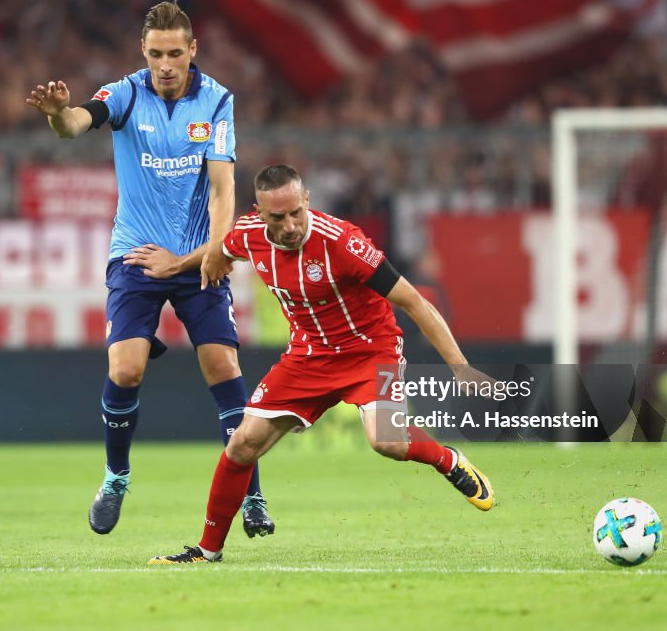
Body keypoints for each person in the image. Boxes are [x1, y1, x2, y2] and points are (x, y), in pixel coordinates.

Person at [148, 164, 495, 564]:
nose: (291, 224)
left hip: (372, 351)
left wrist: (460, 367)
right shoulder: (248, 235)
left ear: (307, 200)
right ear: (260, 214)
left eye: (296, 211)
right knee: (242, 443)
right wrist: (184, 264)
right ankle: (207, 552)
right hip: (308, 357)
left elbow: (413, 301)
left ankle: (448, 459)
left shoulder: (343, 243)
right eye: (278, 217)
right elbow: (221, 250)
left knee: (387, 440)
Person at [25, 0, 274, 537]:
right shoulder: (124, 94)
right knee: (125, 369)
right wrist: (57, 114)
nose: (165, 63)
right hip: (136, 255)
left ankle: (252, 496)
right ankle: (116, 476)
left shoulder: (216, 101)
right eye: (156, 53)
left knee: (223, 369)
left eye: (175, 53)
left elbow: (224, 188)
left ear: (192, 51)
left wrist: (214, 251)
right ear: (143, 51)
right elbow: (74, 125)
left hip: (196, 257)